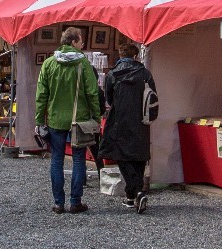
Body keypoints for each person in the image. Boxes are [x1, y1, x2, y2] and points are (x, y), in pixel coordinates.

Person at [34, 27, 103, 214]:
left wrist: (40, 120)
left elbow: (41, 95)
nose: (82, 44)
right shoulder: (84, 65)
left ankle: (58, 202)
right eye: (81, 41)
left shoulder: (49, 64)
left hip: (56, 119)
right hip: (79, 119)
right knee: (78, 159)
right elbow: (92, 93)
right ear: (73, 42)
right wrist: (96, 116)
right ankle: (75, 202)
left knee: (56, 159)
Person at [99, 41, 158, 212]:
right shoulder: (145, 74)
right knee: (139, 157)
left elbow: (109, 98)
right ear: (135, 56)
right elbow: (152, 95)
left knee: (122, 156)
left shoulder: (112, 75)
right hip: (141, 119)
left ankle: (135, 193)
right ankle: (134, 194)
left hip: (119, 120)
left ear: (120, 55)